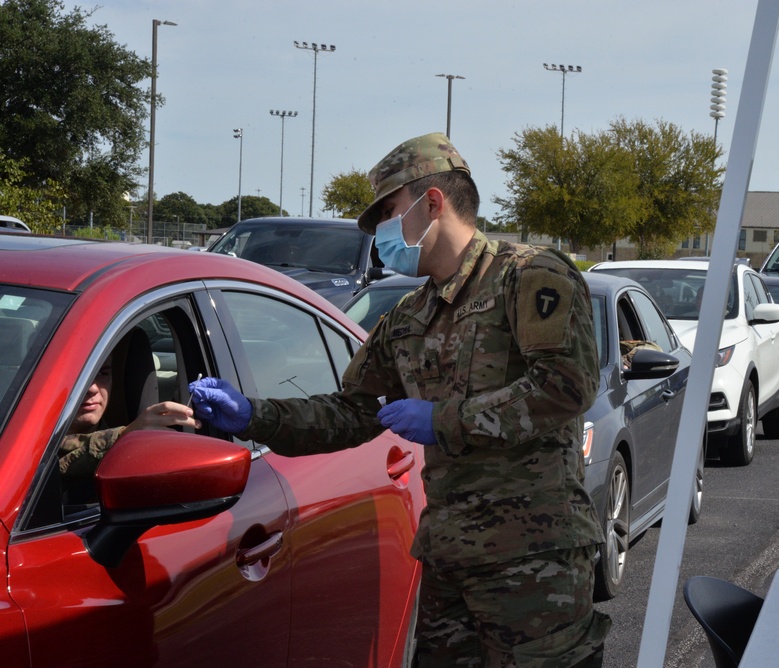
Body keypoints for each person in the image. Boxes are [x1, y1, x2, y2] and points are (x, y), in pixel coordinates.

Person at [189, 132, 610, 667]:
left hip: (533, 561)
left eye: (389, 212)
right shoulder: (410, 315)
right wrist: (255, 414)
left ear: (431, 202)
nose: (380, 233)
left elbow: (565, 386)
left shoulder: (528, 277)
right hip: (448, 557)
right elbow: (352, 412)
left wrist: (446, 420)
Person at [59, 357, 200, 479]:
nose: (93, 388)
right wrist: (122, 439)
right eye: (78, 375)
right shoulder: (38, 441)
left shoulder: (140, 460)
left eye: (103, 373)